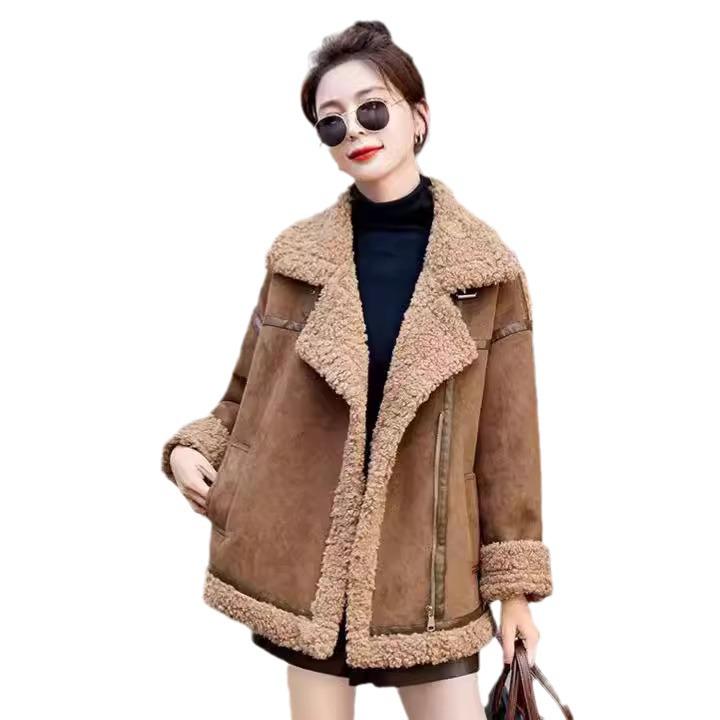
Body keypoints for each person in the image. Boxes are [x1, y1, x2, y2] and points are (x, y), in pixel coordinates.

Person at [161, 20, 553, 720]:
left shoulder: (485, 273)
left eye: (372, 109)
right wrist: (193, 450)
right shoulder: (298, 260)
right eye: (332, 122)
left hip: (427, 575)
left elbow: (508, 448)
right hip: (310, 569)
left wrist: (515, 594)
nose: (354, 132)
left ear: (418, 116)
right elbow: (246, 397)